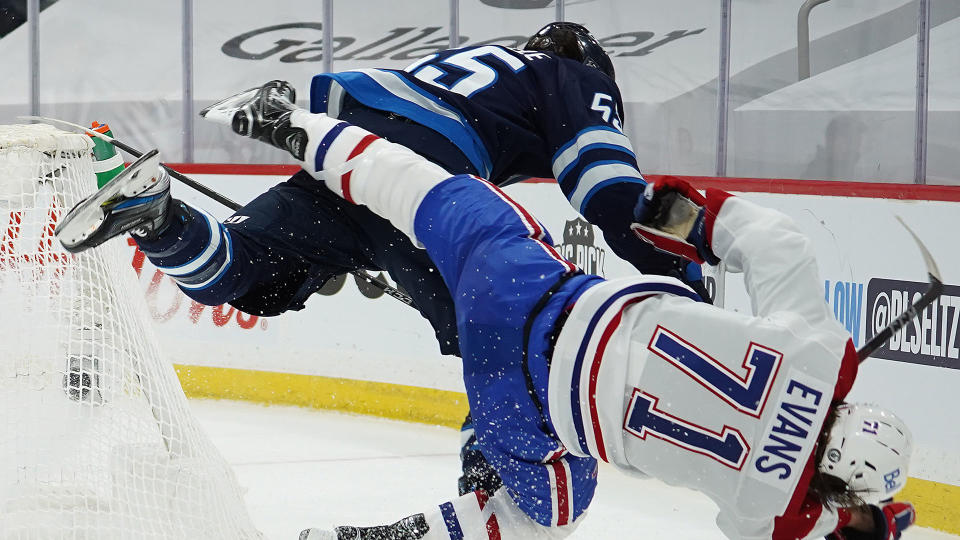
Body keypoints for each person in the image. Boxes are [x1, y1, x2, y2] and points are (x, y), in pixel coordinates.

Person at [57, 85, 918, 539]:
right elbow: (810, 519)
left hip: (530, 277)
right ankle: (385, 537)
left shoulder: (821, 347)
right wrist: (863, 520)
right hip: (517, 392)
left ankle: (287, 124)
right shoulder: (778, 509)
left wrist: (675, 218)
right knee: (549, 513)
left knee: (419, 189)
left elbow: (781, 250)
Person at [59, 22, 708, 498]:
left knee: (246, 271)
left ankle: (159, 216)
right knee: (505, 333)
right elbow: (607, 190)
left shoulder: (481, 64)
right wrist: (682, 273)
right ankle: (489, 497)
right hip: (419, 168)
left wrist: (377, 241)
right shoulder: (573, 76)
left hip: (343, 149)